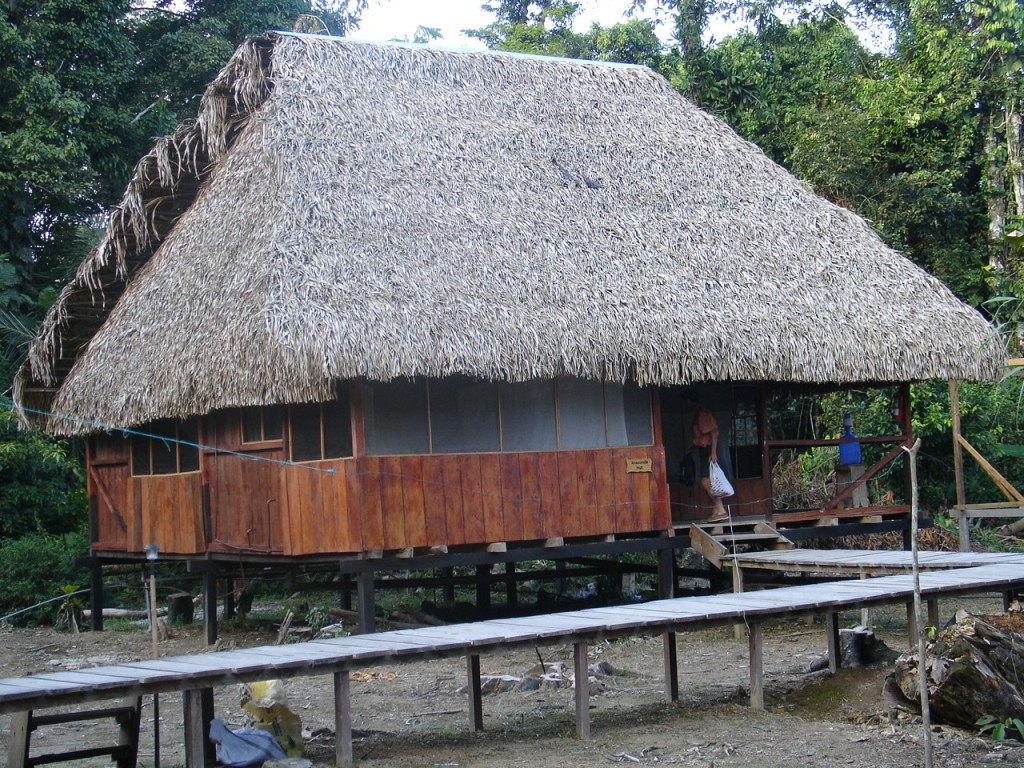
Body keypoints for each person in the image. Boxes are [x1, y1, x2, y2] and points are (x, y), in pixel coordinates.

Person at [683, 388, 729, 522]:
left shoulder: (701, 413)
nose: (686, 406)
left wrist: (713, 452)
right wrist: (692, 448)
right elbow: (702, 437)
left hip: (709, 449)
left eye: (686, 402)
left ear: (690, 401)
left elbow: (713, 433)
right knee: (708, 479)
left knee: (705, 480)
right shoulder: (697, 414)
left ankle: (720, 509)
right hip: (704, 448)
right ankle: (716, 510)